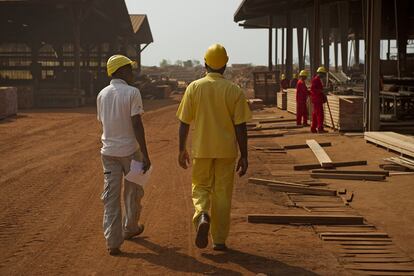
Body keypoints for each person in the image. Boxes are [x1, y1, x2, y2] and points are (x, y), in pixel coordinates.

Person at [176, 44, 252, 251]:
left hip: (202, 150)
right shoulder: (234, 90)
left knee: (200, 187)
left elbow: (184, 122)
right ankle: (219, 240)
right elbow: (241, 126)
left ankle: (201, 213)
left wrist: (181, 149)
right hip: (227, 151)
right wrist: (244, 156)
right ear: (225, 65)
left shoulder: (194, 87)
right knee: (222, 194)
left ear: (205, 63)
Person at [97, 55, 151, 256]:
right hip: (133, 153)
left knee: (110, 196)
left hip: (108, 153)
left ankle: (112, 241)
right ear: (120, 71)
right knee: (134, 190)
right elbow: (137, 124)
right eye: (129, 69)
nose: (132, 72)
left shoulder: (101, 94)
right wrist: (145, 154)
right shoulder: (132, 92)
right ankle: (131, 227)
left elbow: (102, 123)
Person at [310, 66, 328, 133]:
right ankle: (320, 128)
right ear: (320, 73)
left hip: (317, 99)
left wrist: (322, 91)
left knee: (315, 114)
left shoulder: (317, 79)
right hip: (317, 100)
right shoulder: (316, 80)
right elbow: (313, 89)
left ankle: (313, 128)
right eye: (323, 74)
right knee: (320, 114)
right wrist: (321, 91)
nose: (323, 76)